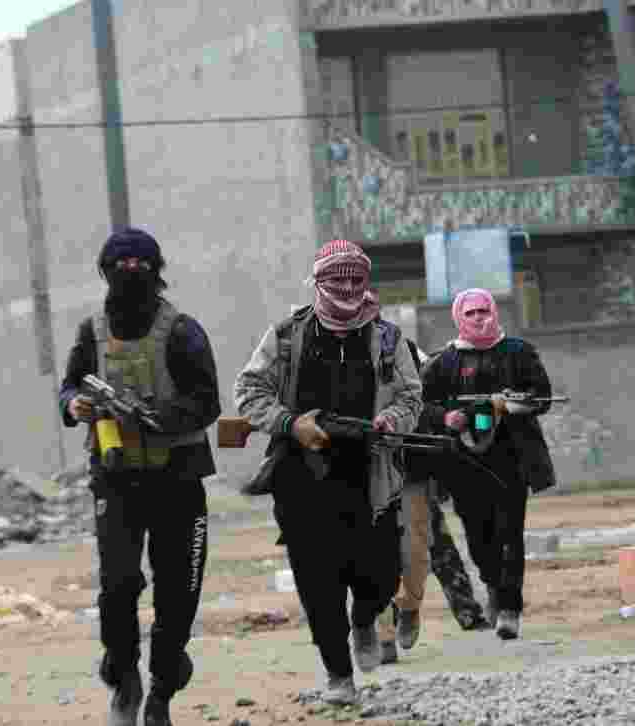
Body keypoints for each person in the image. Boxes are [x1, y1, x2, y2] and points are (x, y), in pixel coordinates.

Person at [233, 239, 422, 705]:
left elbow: (411, 397)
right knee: (318, 583)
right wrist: (290, 424)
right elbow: (249, 390)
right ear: (317, 281)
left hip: (371, 477)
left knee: (379, 577)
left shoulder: (388, 339)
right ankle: (339, 675)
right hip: (301, 479)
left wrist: (390, 422)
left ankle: (365, 619)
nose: (347, 288)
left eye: (356, 278)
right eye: (336, 278)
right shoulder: (285, 337)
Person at [58, 227, 221, 726]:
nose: (130, 274)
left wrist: (157, 418)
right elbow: (69, 386)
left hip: (178, 479)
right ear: (105, 272)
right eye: (120, 266)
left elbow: (207, 403)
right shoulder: (92, 332)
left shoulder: (183, 332)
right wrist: (75, 405)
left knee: (178, 591)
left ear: (156, 272)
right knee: (117, 584)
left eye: (140, 266)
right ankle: (124, 678)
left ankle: (161, 694)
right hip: (116, 479)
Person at [418, 288, 557, 640]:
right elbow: (419, 404)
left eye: (484, 311)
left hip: (512, 458)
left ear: (494, 312)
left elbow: (542, 397)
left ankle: (510, 608)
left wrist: (509, 405)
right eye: (471, 313)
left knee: (510, 533)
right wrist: (445, 417)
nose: (479, 317)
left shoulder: (519, 352)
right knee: (480, 539)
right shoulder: (443, 362)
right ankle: (493, 585)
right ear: (459, 318)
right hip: (463, 463)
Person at [377, 339, 490, 664]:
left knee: (430, 548)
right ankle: (384, 634)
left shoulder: (404, 349)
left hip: (413, 472)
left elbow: (428, 401)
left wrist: (447, 419)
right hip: (370, 475)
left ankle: (457, 611)